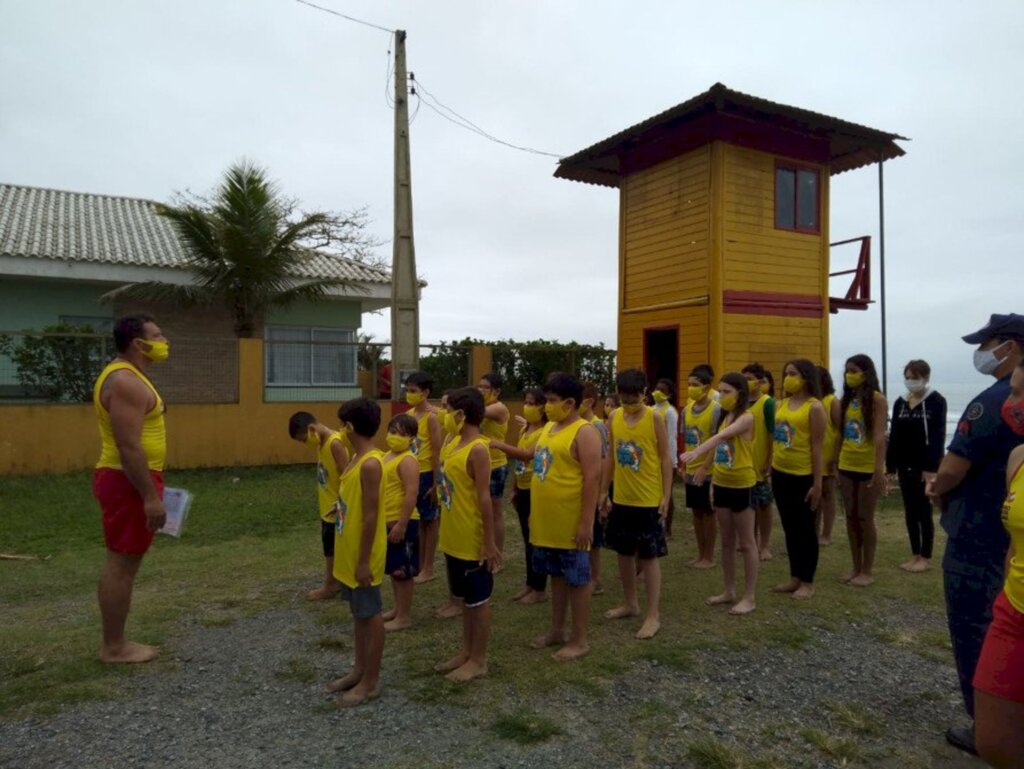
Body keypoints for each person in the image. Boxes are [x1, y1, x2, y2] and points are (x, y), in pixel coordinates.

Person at [927, 314, 1024, 754]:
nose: (981, 353)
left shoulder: (992, 401)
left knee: (974, 625)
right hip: (1010, 531)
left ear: (1011, 347)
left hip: (976, 531)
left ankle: (982, 722)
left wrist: (936, 487)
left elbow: (952, 467)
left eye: (987, 343)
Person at [92, 314, 169, 663]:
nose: (164, 340)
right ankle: (114, 647)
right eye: (157, 335)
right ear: (138, 343)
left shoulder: (132, 377)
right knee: (121, 564)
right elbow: (128, 447)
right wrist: (150, 498)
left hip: (135, 479)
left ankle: (115, 641)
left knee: (123, 562)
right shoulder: (126, 381)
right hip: (128, 482)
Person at [526, 372, 602, 660]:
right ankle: (557, 630)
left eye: (553, 401)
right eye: (546, 400)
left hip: (572, 524)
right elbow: (540, 469)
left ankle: (579, 639)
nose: (547, 406)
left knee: (578, 580)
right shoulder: (550, 429)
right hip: (548, 523)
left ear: (570, 403)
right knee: (556, 577)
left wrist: (586, 522)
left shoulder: (585, 432)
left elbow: (592, 478)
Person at [974, 359, 1024, 768]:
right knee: (993, 742)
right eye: (1013, 392)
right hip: (1014, 610)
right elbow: (1014, 541)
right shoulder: (1018, 458)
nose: (1011, 404)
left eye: (1021, 395)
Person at [435, 386, 501, 682]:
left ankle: (479, 659)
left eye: (448, 411)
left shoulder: (478, 449)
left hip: (472, 538)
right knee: (464, 602)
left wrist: (489, 544)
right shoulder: (453, 444)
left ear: (461, 415)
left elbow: (485, 499)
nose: (444, 416)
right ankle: (466, 651)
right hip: (452, 536)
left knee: (478, 602)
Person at [600, 368, 672, 639]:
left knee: (649, 556)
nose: (629, 404)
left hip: (648, 500)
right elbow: (610, 458)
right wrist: (604, 492)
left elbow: (666, 458)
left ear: (644, 393)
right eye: (624, 398)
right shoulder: (615, 417)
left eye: (634, 398)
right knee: (623, 552)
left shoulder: (654, 417)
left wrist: (665, 496)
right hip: (622, 498)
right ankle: (630, 603)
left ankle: (653, 615)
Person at [680, 372, 759, 615]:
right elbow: (721, 447)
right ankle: (729, 590)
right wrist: (713, 484)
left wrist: (696, 453)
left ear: (740, 394)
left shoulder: (746, 418)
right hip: (722, 482)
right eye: (721, 391)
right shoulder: (726, 417)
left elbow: (722, 437)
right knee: (726, 541)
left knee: (746, 543)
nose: (722, 396)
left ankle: (749, 596)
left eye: (727, 392)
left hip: (742, 484)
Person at [326, 398, 386, 707]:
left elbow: (372, 515)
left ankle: (371, 682)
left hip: (364, 557)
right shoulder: (354, 459)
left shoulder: (372, 463)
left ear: (350, 427)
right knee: (358, 615)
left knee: (370, 614)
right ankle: (359, 670)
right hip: (349, 552)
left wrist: (364, 561)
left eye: (342, 424)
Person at [769, 359, 826, 600]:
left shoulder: (814, 408)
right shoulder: (781, 404)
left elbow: (817, 447)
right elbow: (776, 438)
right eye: (785, 373)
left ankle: (808, 581)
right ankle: (794, 576)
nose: (787, 378)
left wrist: (817, 483)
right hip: (780, 472)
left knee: (805, 530)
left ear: (805, 377)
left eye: (792, 373)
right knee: (789, 527)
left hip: (803, 476)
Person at [886, 360, 947, 573]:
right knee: (910, 510)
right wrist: (890, 465)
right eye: (908, 377)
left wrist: (932, 467)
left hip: (925, 466)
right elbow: (894, 436)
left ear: (926, 377)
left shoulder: (936, 401)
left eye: (915, 377)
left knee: (923, 510)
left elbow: (938, 435)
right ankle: (914, 554)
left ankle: (925, 556)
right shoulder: (901, 402)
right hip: (904, 464)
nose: (911, 381)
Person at [833, 354, 888, 588]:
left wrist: (878, 469)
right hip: (846, 464)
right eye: (847, 370)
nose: (849, 375)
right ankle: (855, 567)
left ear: (866, 372)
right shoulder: (846, 399)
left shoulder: (877, 399)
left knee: (866, 518)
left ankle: (867, 569)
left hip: (867, 465)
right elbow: (840, 433)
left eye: (853, 370)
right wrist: (834, 463)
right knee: (851, 517)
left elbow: (878, 435)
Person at [288, 411, 349, 600]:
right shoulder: (321, 443)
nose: (304, 443)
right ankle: (338, 582)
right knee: (330, 547)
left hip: (336, 508)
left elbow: (347, 476)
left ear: (312, 429)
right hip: (327, 506)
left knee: (332, 548)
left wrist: (341, 503)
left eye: (303, 439)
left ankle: (330, 586)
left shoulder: (335, 444)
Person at [495, 387, 548, 605]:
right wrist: (515, 487)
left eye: (533, 403)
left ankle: (540, 588)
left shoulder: (545, 431)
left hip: (537, 490)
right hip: (524, 489)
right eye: (526, 402)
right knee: (527, 539)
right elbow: (519, 464)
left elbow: (527, 455)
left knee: (536, 540)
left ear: (543, 407)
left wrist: (498, 445)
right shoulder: (525, 429)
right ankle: (530, 583)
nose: (528, 407)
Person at [380, 413, 421, 632]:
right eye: (392, 432)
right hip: (387, 522)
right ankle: (397, 609)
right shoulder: (387, 456)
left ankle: (404, 616)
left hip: (402, 523)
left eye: (402, 434)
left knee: (403, 571)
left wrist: (402, 524)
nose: (395, 437)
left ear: (412, 438)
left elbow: (411, 494)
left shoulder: (407, 460)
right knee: (394, 569)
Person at [404, 372, 443, 585]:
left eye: (413, 391)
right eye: (408, 390)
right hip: (412, 473)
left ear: (426, 392)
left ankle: (429, 567)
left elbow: (437, 451)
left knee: (430, 521)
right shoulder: (409, 415)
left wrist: (437, 483)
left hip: (427, 473)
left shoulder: (432, 417)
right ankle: (419, 563)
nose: (409, 395)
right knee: (418, 521)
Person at [680, 366, 720, 569]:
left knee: (708, 512)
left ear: (706, 387)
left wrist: (705, 466)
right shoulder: (686, 410)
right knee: (696, 512)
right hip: (690, 469)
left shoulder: (715, 409)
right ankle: (700, 553)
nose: (691, 389)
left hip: (707, 471)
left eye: (695, 385)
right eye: (689, 385)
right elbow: (684, 438)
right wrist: (684, 465)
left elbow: (716, 440)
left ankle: (709, 556)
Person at [742, 363, 776, 561]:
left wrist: (769, 460)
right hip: (743, 463)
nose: (746, 382)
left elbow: (772, 434)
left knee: (764, 505)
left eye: (750, 378)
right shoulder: (740, 401)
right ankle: (750, 541)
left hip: (760, 462)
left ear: (759, 380)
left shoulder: (768, 403)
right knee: (748, 505)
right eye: (743, 378)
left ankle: (765, 545)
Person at [578, 382, 610, 592]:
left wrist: (603, 493)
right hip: (579, 489)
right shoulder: (578, 425)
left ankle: (595, 579)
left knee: (594, 538)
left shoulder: (596, 426)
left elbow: (605, 459)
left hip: (594, 487)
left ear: (589, 402)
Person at [478, 372, 511, 556]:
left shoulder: (498, 408)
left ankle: (497, 553)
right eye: (479, 386)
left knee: (495, 511)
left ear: (497, 391)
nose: (481, 390)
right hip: (482, 464)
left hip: (496, 465)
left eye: (485, 387)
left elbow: (475, 412)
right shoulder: (483, 405)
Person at [652, 379, 679, 538]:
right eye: (656, 389)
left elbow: (671, 438)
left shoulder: (670, 412)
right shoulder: (652, 409)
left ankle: (668, 528)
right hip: (653, 458)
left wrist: (671, 460)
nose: (658, 392)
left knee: (667, 493)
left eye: (662, 390)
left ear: (668, 394)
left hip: (667, 458)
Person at [816, 366, 839, 546]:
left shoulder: (832, 401)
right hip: (810, 457)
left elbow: (839, 430)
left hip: (828, 455)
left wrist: (836, 458)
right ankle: (812, 531)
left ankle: (827, 533)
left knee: (828, 494)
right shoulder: (809, 401)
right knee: (813, 495)